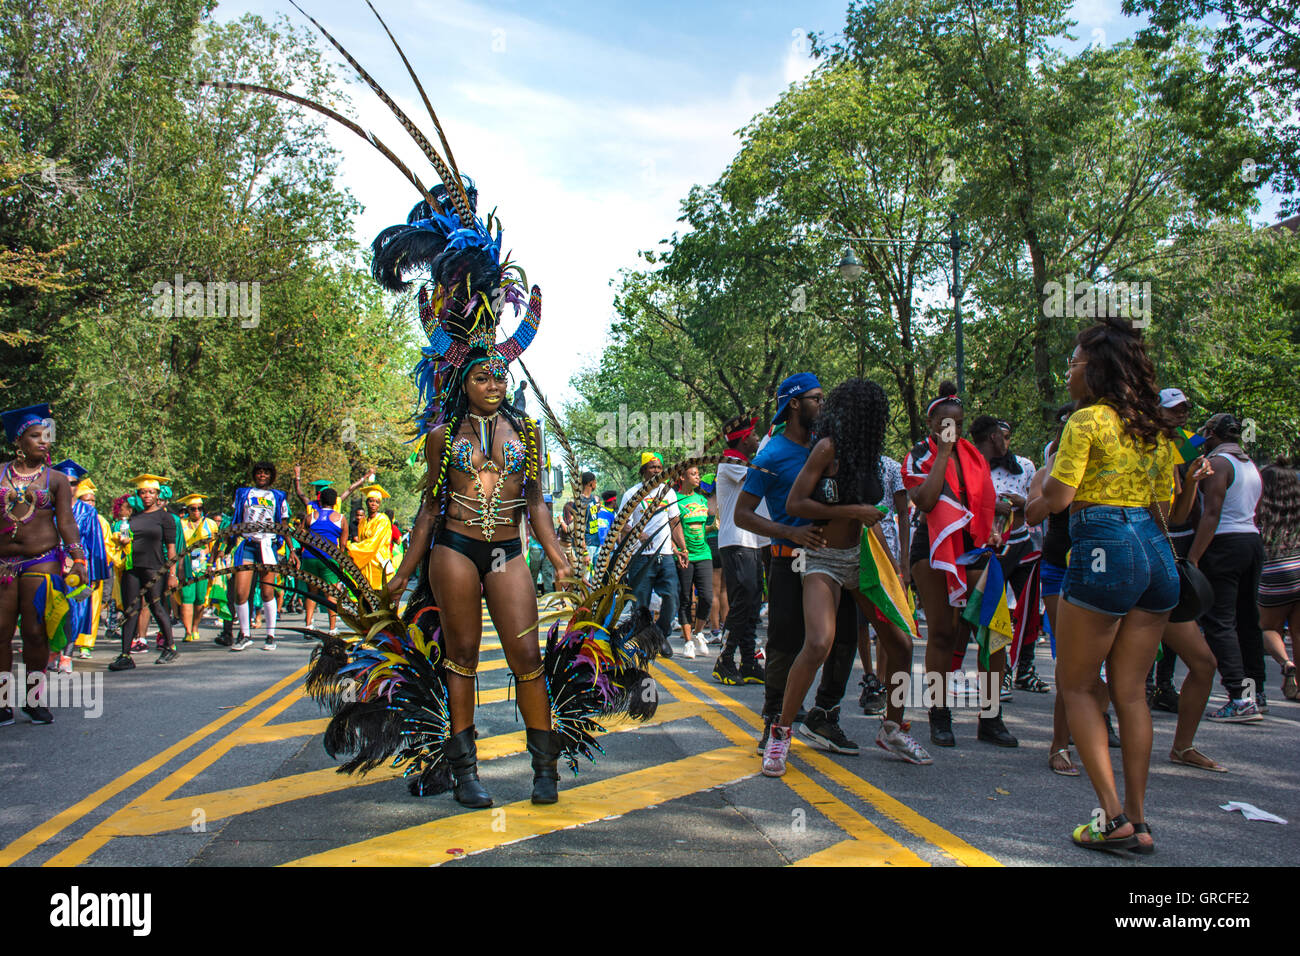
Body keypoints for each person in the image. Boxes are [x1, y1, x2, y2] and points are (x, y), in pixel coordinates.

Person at [1036, 319, 1178, 853]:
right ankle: (1139, 823)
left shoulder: (1086, 421)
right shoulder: (1155, 427)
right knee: (1132, 692)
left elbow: (1059, 496)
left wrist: (1044, 481)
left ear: (1096, 369)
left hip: (1103, 544)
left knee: (1076, 685)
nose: (1069, 371)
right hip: (1156, 551)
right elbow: (1169, 506)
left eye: (1074, 362)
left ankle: (1110, 817)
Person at [764, 379, 931, 775]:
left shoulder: (870, 457)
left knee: (901, 643)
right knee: (818, 642)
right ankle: (780, 733)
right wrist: (854, 511)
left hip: (865, 560)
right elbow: (795, 503)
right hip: (823, 559)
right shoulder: (827, 449)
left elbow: (875, 522)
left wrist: (897, 569)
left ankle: (892, 727)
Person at [737, 374, 860, 756]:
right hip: (791, 561)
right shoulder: (770, 455)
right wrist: (789, 533)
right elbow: (742, 514)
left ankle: (824, 714)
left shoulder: (828, 447)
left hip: (838, 561)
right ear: (794, 404)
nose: (823, 405)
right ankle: (774, 719)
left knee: (844, 641)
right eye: (817, 399)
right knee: (786, 645)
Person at [904, 383, 1015, 748]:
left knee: (995, 631)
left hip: (976, 548)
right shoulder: (919, 455)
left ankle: (991, 717)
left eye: (959, 423)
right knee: (943, 633)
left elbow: (986, 502)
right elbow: (925, 499)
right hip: (935, 549)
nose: (954, 429)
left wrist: (994, 531)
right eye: (946, 423)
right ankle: (939, 714)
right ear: (933, 422)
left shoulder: (974, 456)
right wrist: (943, 453)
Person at [0, 406, 85, 723]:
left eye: (47, 437)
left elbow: (66, 522)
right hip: (3, 565)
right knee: (1, 633)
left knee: (36, 634)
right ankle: (2, 702)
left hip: (42, 563)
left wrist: (78, 558)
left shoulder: (58, 480)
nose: (43, 442)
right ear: (18, 441)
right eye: (36, 436)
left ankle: (33, 700)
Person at [1191, 413, 1267, 721]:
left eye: (1205, 433)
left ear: (1211, 434)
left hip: (1224, 544)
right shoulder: (1248, 464)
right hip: (1251, 540)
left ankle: (1239, 696)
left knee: (1219, 622)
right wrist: (1204, 435)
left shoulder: (1219, 464)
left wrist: (1195, 556)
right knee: (1248, 620)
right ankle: (1254, 692)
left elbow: (1211, 514)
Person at [712, 416, 767, 685]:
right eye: (755, 434)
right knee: (742, 602)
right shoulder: (731, 461)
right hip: (735, 542)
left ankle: (748, 662)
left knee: (752, 603)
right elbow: (761, 476)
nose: (757, 439)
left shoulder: (740, 462)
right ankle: (725, 659)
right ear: (744, 439)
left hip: (751, 542)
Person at [619, 452, 689, 658]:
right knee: (640, 604)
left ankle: (659, 633)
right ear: (643, 470)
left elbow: (675, 522)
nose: (657, 471)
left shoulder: (668, 493)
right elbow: (623, 525)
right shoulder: (632, 494)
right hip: (641, 558)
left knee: (672, 598)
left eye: (659, 467)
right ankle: (643, 642)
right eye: (652, 467)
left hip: (665, 555)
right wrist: (640, 535)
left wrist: (683, 548)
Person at [107, 475, 179, 670]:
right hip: (132, 568)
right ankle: (125, 655)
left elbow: (171, 549)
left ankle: (170, 647)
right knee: (131, 610)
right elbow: (127, 539)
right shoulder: (134, 517)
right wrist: (123, 541)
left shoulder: (165, 517)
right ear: (138, 495)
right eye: (143, 492)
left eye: (151, 492)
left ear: (157, 495)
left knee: (157, 607)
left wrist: (173, 574)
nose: (147, 495)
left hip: (155, 567)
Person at [229, 461, 292, 652]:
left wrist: (292, 550)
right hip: (248, 545)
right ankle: (245, 634)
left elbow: (284, 525)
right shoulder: (243, 493)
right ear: (254, 475)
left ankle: (270, 635)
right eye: (259, 473)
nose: (262, 476)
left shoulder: (278, 496)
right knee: (241, 592)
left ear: (271, 476)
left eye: (266, 473)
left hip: (268, 546)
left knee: (267, 592)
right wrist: (225, 544)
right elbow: (235, 519)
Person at [1256, 460, 1300, 701]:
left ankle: (1286, 662)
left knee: (1267, 628)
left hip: (1276, 573)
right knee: (1298, 632)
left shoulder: (1262, 512)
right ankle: (1296, 686)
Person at [297, 486, 349, 635]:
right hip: (330, 558)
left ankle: (308, 625)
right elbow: (343, 545)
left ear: (320, 500)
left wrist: (306, 547)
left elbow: (299, 534)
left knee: (312, 592)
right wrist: (341, 564)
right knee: (331, 594)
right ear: (334, 502)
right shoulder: (340, 519)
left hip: (310, 557)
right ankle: (332, 628)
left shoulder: (311, 516)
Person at [674, 465, 713, 659]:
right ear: (682, 477)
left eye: (698, 474)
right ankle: (688, 641)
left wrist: (712, 527)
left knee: (707, 597)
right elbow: (672, 528)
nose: (697, 477)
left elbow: (700, 528)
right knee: (685, 598)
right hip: (684, 555)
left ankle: (699, 633)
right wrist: (678, 550)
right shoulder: (675, 500)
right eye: (693, 474)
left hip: (704, 553)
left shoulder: (702, 500)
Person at [175, 494, 218, 643]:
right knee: (187, 597)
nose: (196, 511)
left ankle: (195, 627)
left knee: (200, 598)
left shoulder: (210, 524)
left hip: (202, 564)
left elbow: (214, 546)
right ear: (187, 510)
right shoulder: (181, 524)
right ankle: (187, 631)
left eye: (199, 508)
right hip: (186, 563)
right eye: (193, 509)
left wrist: (211, 564)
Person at [347, 485, 394, 591]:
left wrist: (352, 548)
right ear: (366, 502)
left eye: (377, 502)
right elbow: (361, 540)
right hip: (365, 561)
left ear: (380, 504)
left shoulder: (382, 520)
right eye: (371, 501)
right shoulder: (363, 521)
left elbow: (374, 542)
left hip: (378, 562)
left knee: (379, 593)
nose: (373, 504)